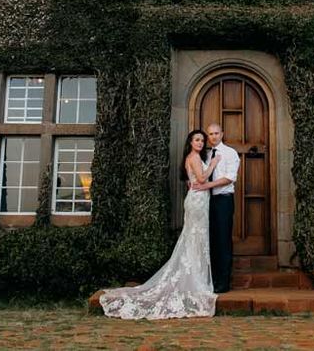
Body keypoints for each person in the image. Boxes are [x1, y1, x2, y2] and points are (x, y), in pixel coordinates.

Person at [99, 130, 221, 319]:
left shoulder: (192, 157)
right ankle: (196, 281)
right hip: (197, 202)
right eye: (197, 140)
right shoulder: (194, 157)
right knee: (195, 238)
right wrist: (213, 164)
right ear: (190, 142)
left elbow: (193, 180)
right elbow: (203, 178)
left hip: (198, 199)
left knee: (195, 238)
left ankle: (196, 279)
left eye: (202, 140)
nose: (200, 143)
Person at [191, 122, 240, 293]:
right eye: (210, 134)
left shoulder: (230, 153)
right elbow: (200, 175)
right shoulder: (205, 154)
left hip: (223, 200)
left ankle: (223, 283)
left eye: (216, 133)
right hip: (206, 201)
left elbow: (229, 177)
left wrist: (207, 185)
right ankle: (211, 280)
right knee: (211, 240)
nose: (213, 137)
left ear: (222, 134)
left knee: (223, 240)